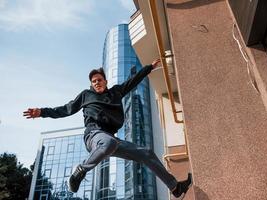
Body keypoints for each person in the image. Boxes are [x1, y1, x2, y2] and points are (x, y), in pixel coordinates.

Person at [23, 59, 192, 199]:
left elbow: (132, 81)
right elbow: (65, 109)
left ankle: (175, 187)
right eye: (94, 81)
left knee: (146, 152)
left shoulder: (116, 92)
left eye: (99, 80)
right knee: (108, 142)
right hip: (93, 135)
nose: (97, 83)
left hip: (111, 139)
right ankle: (80, 170)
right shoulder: (85, 96)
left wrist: (149, 67)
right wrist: (42, 112)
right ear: (91, 84)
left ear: (105, 81)